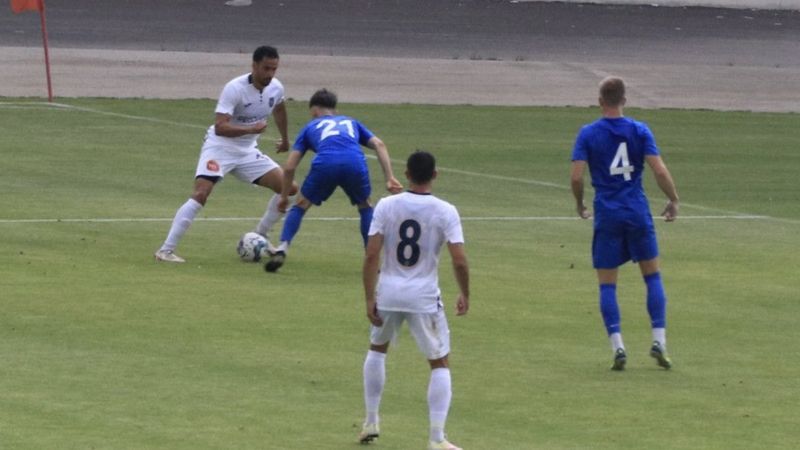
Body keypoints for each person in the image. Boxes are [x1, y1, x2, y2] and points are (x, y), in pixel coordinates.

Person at [358, 151, 470, 450]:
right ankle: (436, 437)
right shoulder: (446, 210)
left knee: (377, 349)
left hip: (389, 292)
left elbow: (371, 254)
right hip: (423, 296)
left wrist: (370, 296)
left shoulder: (386, 205)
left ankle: (371, 420)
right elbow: (459, 261)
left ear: (406, 173)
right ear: (435, 175)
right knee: (439, 362)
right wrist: (465, 293)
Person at [570, 76, 680, 371]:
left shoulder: (588, 134)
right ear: (624, 101)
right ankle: (659, 340)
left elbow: (577, 176)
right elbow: (658, 169)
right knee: (652, 276)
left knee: (607, 284)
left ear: (600, 101)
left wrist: (580, 203)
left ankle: (618, 346)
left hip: (607, 212)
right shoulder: (639, 130)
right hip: (636, 210)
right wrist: (673, 198)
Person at [154, 45, 297, 263]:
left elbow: (278, 108)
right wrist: (251, 130)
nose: (270, 74)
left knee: (290, 188)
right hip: (220, 147)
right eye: (266, 68)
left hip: (247, 152)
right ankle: (165, 250)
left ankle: (260, 235)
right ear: (254, 65)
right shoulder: (235, 88)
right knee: (201, 193)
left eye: (274, 69)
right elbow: (220, 127)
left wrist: (285, 139)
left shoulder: (275, 87)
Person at [263, 88, 403, 272]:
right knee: (365, 206)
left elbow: (289, 167)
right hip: (354, 163)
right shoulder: (350, 122)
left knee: (300, 205)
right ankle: (372, 257)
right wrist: (389, 177)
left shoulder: (310, 127)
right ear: (335, 110)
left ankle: (282, 247)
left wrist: (283, 196)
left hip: (325, 164)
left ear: (314, 111)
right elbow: (379, 144)